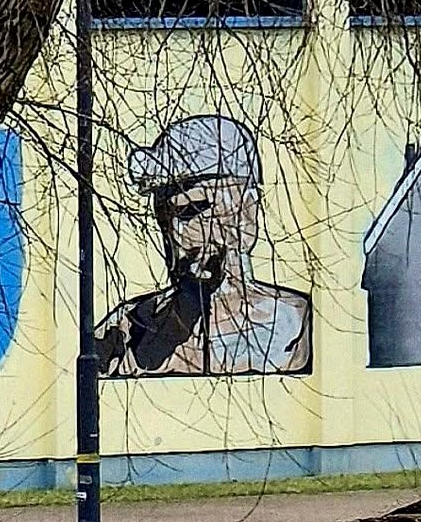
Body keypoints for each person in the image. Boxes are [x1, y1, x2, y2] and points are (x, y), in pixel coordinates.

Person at [98, 115, 311, 378]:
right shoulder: (127, 328)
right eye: (164, 221)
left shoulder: (295, 325)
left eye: (193, 210)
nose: (176, 235)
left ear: (246, 214)